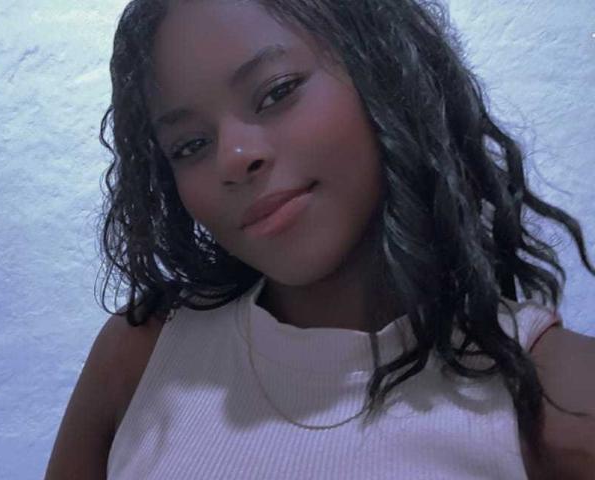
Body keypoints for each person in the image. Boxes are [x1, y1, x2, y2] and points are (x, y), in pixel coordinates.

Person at [45, 0, 595, 478]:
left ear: (382, 72)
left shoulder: (554, 395)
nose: (233, 158)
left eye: (276, 92)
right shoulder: (143, 357)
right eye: (189, 145)